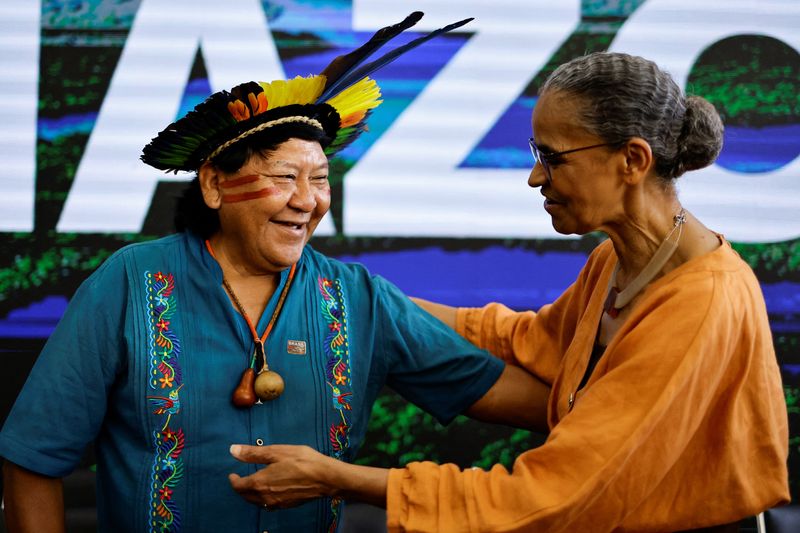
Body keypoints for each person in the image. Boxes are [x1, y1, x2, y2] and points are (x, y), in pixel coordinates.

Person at [0, 13, 551, 533]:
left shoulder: (357, 299)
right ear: (214, 184)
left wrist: (626, 399)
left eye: (320, 179)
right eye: (285, 176)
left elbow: (517, 399)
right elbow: (33, 459)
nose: (307, 202)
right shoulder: (130, 284)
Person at [225, 52, 791, 532]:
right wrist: (363, 301)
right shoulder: (619, 260)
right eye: (535, 153)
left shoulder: (701, 302)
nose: (535, 178)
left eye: (553, 157)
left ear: (632, 160)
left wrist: (336, 478)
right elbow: (533, 342)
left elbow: (552, 497)